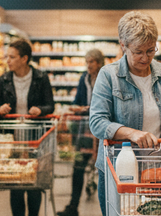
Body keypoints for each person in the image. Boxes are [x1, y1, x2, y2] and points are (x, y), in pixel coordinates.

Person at [89, 11, 161, 216]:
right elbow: (97, 122)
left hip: (158, 170)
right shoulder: (109, 75)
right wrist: (131, 133)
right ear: (123, 45)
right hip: (118, 170)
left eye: (151, 50)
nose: (145, 58)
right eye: (138, 51)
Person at [0, 39, 55, 216]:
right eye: (7, 56)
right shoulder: (4, 79)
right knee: (16, 182)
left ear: (24, 58)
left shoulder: (41, 78)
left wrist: (40, 110)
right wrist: (0, 109)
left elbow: (51, 105)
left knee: (34, 182)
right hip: (12, 139)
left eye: (12, 57)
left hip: (36, 138)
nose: (8, 60)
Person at [57, 49, 105, 216]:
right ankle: (73, 206)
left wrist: (88, 110)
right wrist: (76, 107)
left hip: (102, 132)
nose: (88, 65)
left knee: (104, 171)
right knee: (78, 167)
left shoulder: (106, 78)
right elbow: (78, 100)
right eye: (87, 61)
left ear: (99, 62)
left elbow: (106, 105)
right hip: (84, 131)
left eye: (91, 61)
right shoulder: (83, 78)